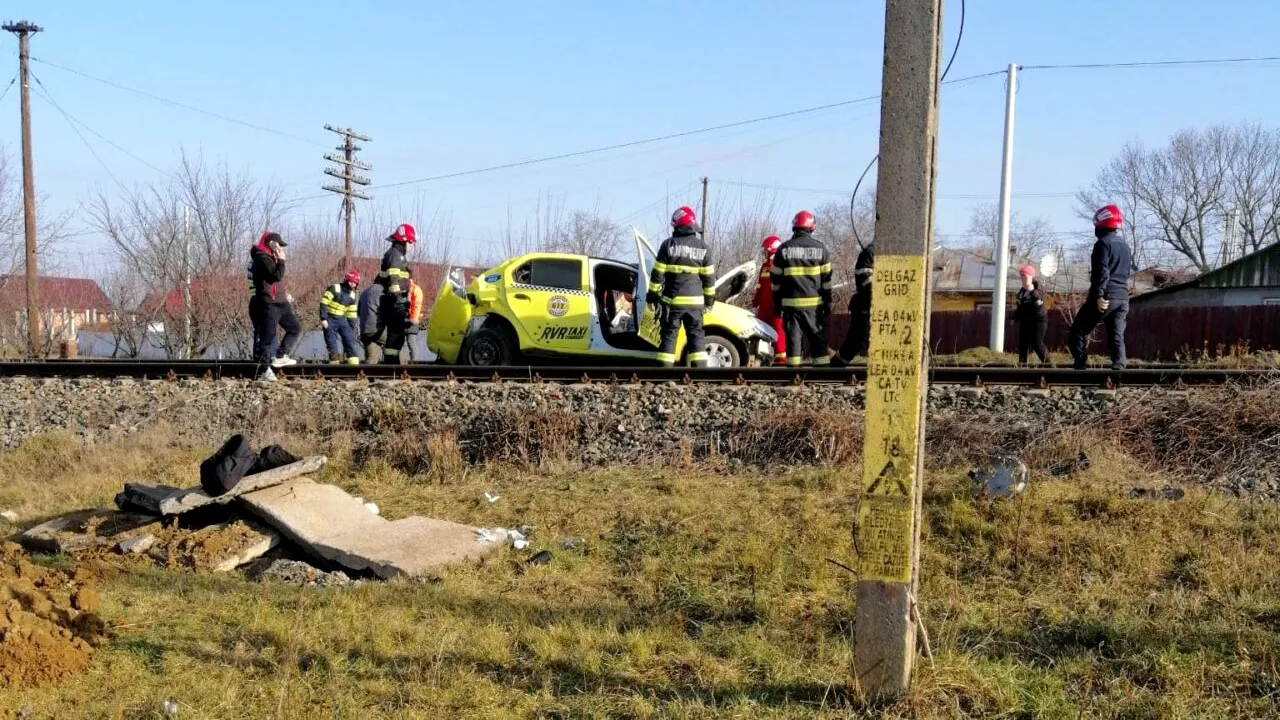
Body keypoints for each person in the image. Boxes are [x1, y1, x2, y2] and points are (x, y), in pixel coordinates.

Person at [647, 205, 715, 367]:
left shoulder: (668, 245)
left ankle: (665, 376)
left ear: (677, 224)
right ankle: (700, 376)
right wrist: (709, 301)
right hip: (695, 303)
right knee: (696, 337)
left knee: (669, 336)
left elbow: (657, 276)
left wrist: (653, 296)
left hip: (672, 302)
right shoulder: (704, 248)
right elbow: (709, 280)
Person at [1068, 204, 1134, 370]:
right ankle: (1119, 367)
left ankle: (1080, 365)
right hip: (1122, 297)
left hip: (1105, 296)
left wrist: (1099, 295)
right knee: (1116, 334)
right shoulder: (1125, 246)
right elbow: (1126, 272)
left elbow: (1102, 272)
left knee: (1078, 330)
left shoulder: (1102, 245)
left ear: (1100, 224)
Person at [771, 210, 833, 366]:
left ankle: (794, 374)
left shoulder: (783, 249)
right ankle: (823, 371)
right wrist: (827, 303)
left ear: (795, 227)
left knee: (793, 339)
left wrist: (776, 304)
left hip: (791, 307)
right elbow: (826, 282)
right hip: (814, 307)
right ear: (812, 227)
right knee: (817, 337)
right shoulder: (821, 249)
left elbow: (775, 281)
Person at [246, 231, 301, 381]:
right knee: (267, 338)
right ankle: (265, 370)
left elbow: (278, 281)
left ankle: (281, 355)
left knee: (295, 328)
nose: (281, 249)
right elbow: (276, 275)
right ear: (271, 244)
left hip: (281, 302)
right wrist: (282, 260)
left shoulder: (271, 258)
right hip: (270, 304)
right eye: (278, 245)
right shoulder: (261, 258)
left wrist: (286, 294)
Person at [378, 223, 416, 364]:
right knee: (395, 336)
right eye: (409, 242)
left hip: (395, 300)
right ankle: (391, 365)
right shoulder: (395, 255)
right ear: (403, 240)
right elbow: (393, 281)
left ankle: (392, 364)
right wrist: (398, 299)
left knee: (397, 336)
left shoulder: (397, 255)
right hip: (393, 301)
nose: (410, 246)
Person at [833, 241, 875, 366]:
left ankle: (839, 363)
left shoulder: (886, 250)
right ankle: (838, 365)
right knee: (857, 338)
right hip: (865, 304)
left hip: (872, 304)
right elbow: (864, 278)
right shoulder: (870, 253)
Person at [751, 235, 787, 366]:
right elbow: (760, 287)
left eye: (765, 250)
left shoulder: (781, 265)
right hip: (764, 307)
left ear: (772, 249)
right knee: (761, 331)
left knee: (778, 332)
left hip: (776, 305)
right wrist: (755, 302)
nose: (764, 252)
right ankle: (762, 357)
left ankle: (781, 359)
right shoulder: (765, 266)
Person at [319, 269, 362, 364]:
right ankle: (334, 364)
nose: (352, 284)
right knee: (331, 342)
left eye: (355, 283)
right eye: (351, 282)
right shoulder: (335, 288)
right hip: (330, 318)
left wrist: (352, 327)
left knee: (349, 340)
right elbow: (324, 302)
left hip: (342, 319)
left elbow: (352, 313)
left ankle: (354, 363)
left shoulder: (353, 295)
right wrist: (323, 318)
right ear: (346, 280)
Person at [1013, 264, 1048, 366]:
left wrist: (1032, 291)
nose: (1023, 279)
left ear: (1031, 276)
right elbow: (1020, 307)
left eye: (1025, 276)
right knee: (1022, 345)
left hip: (1038, 319)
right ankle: (1022, 367)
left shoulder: (1038, 287)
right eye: (1021, 276)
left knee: (1037, 344)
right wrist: (1015, 318)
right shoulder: (1021, 292)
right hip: (1026, 320)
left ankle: (1049, 366)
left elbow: (1039, 304)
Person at [357, 280, 385, 364]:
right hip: (379, 331)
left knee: (371, 359)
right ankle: (392, 372)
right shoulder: (384, 292)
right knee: (393, 346)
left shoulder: (364, 293)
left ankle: (369, 374)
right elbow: (387, 312)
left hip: (365, 331)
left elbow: (358, 312)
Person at [404, 278, 425, 362]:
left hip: (411, 319)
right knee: (410, 342)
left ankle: (414, 361)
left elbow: (415, 306)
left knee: (411, 342)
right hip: (411, 318)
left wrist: (412, 319)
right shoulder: (414, 289)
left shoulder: (414, 290)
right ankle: (413, 360)